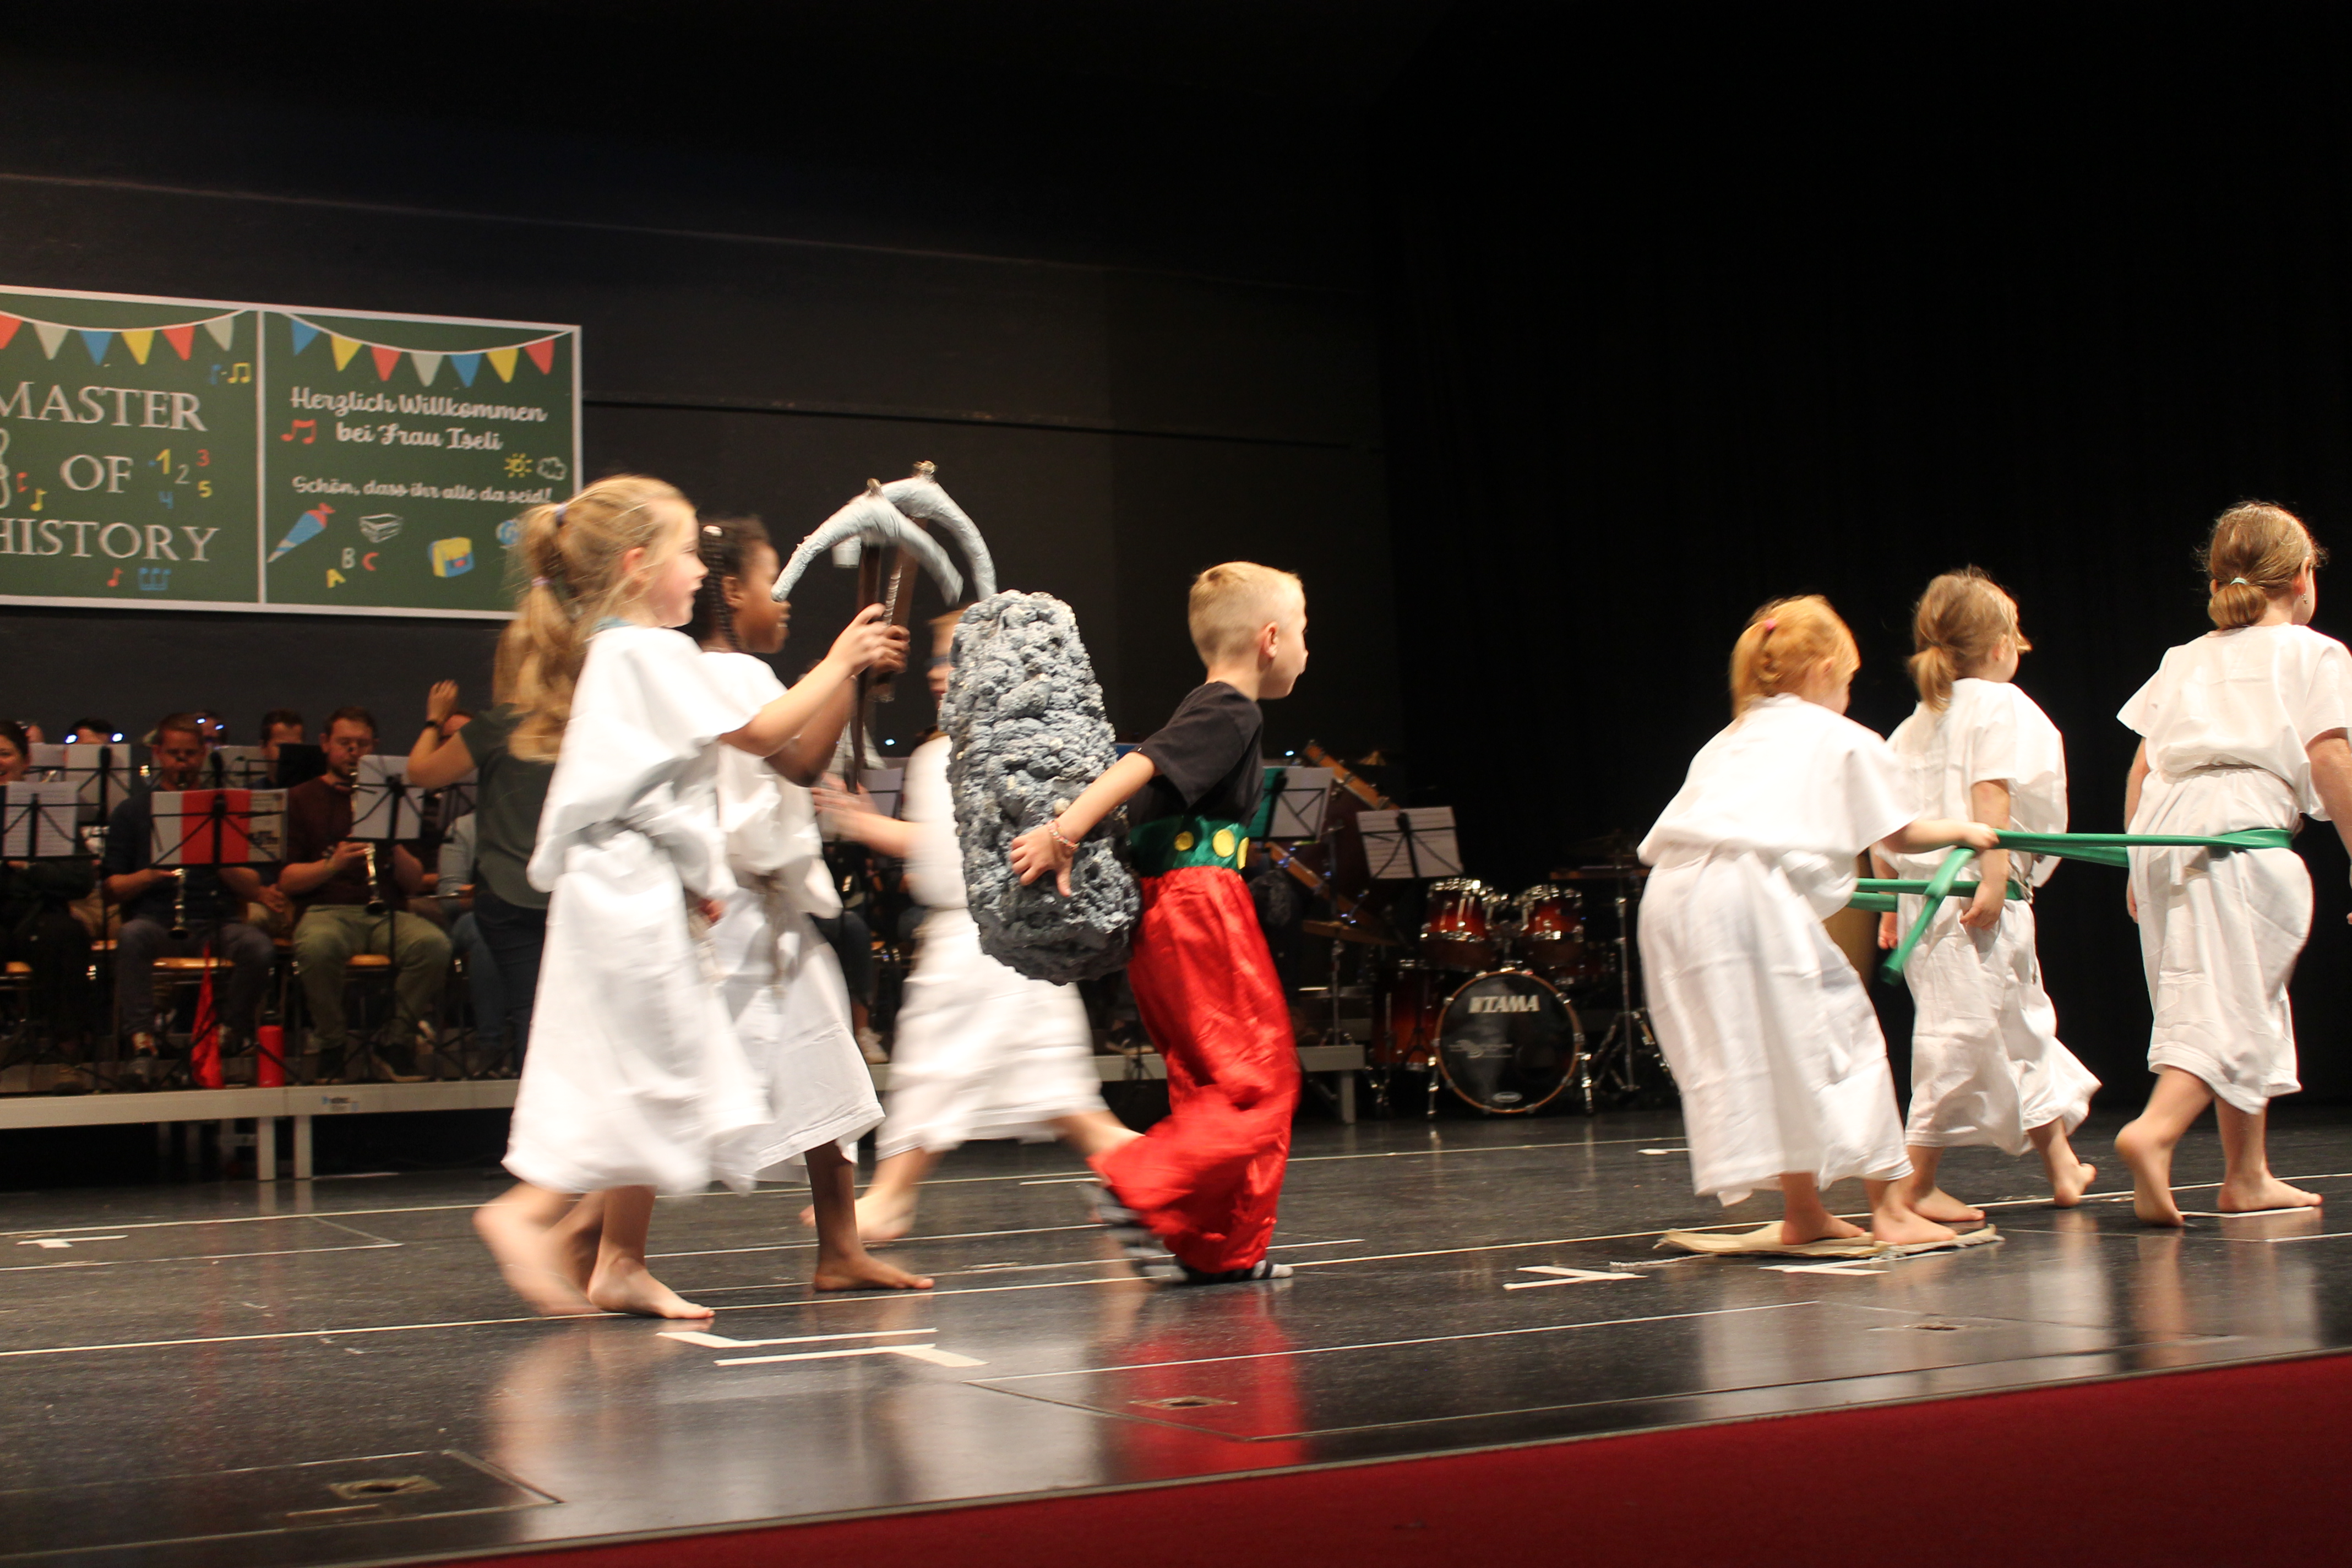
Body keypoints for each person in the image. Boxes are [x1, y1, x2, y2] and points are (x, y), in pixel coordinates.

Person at [470, 474, 908, 1319]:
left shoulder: (624, 654)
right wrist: (841, 661)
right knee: (644, 1063)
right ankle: (528, 1213)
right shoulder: (648, 651)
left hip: (634, 883)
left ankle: (618, 1262)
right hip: (622, 890)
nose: (700, 572)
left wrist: (698, 878)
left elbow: (658, 792)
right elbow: (766, 735)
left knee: (654, 1062)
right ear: (637, 566)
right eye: (685, 555)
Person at [1636, 595, 1999, 1247]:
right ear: (1828, 668)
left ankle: (1804, 1212)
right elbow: (1900, 834)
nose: (1849, 695)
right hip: (1745, 897)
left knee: (1769, 1052)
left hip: (1672, 901)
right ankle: (1891, 1208)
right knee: (1843, 1035)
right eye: (1850, 680)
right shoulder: (1841, 737)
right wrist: (1969, 831)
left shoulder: (1730, 737)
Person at [1010, 562, 1311, 1286]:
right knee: (1260, 1083)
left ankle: (1217, 1248)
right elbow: (1141, 764)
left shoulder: (1210, 707)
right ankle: (1139, 1184)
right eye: (1305, 632)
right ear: (1270, 639)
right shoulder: (1231, 709)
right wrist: (1064, 832)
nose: (1308, 649)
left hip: (1173, 908)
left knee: (1211, 1082)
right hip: (1200, 906)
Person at [824, 611, 1135, 1243]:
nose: (939, 673)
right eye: (938, 660)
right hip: (989, 945)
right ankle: (1149, 1174)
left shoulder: (983, 755)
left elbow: (948, 855)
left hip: (984, 946)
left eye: (955, 658)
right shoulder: (953, 750)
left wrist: (861, 823)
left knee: (937, 1073)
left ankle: (891, 1198)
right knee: (1061, 1099)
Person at [687, 513, 928, 1290]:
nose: (784, 599)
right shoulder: (725, 675)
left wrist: (852, 674)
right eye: (771, 581)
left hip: (767, 917)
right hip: (731, 919)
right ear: (731, 591)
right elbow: (796, 760)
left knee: (828, 1069)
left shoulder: (741, 676)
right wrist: (844, 664)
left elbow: (804, 752)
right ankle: (581, 1233)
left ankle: (840, 1249)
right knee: (683, 1090)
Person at [2114, 502, 2352, 1225]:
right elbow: (2330, 757)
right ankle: (2154, 1132)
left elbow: (2143, 764)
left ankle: (2246, 1175)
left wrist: (2135, 862)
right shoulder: (2314, 653)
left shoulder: (2184, 657)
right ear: (2304, 576)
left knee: (2226, 992)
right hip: (2236, 831)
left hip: (2161, 833)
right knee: (2232, 1000)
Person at [1875, 570, 2099, 1218]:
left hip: (1927, 897)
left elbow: (1885, 822)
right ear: (2001, 645)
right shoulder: (2000, 705)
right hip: (1977, 893)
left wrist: (1891, 903)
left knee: (2017, 1025)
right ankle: (1915, 1184)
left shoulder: (1914, 723)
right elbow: (1990, 793)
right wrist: (1996, 879)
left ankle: (2061, 1164)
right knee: (1958, 1034)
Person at [102, 714, 279, 1081]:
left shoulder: (228, 809)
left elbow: (255, 886)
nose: (182, 762)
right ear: (158, 753)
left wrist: (219, 860)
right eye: (174, 754)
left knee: (258, 948)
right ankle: (142, 1043)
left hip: (216, 921)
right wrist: (151, 874)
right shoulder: (133, 811)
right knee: (131, 936)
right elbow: (111, 889)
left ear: (203, 755)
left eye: (190, 754)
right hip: (157, 922)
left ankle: (228, 1035)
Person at [278, 706, 449, 1081]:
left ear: (375, 747)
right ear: (325, 744)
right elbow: (287, 882)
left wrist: (393, 841)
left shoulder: (397, 796)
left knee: (434, 946)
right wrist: (332, 865)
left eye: (362, 744)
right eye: (345, 743)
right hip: (326, 911)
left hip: (387, 910)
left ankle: (396, 1042)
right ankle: (332, 1044)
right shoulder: (300, 798)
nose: (353, 752)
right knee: (317, 947)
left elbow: (413, 883)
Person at [409, 676, 555, 1072]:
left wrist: (434, 721)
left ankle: (517, 1083)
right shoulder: (583, 720)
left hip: (511, 891)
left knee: (531, 1010)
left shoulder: (500, 724)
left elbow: (421, 772)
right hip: (571, 889)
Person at [0, 720, 95, 1064]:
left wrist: (28, 867)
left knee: (65, 934)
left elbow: (81, 879)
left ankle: (68, 1051)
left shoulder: (51, 808)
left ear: (26, 761)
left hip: (39, 917)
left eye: (5, 754)